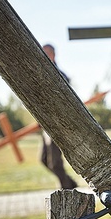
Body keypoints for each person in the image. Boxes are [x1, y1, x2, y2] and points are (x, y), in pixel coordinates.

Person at [40, 44, 77, 190]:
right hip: (45, 125)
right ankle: (70, 184)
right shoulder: (39, 73)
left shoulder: (60, 75)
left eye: (47, 53)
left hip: (57, 124)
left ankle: (66, 190)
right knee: (43, 159)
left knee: (55, 162)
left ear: (53, 55)